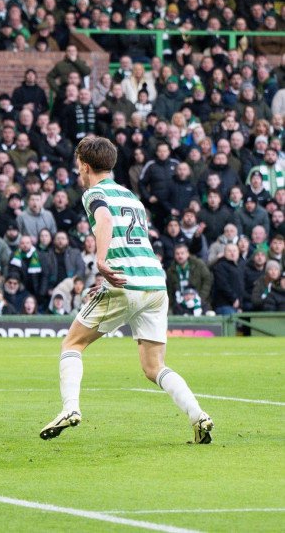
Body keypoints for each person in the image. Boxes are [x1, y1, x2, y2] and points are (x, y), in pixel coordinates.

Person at [40, 136, 213, 444]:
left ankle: (70, 409)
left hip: (125, 282)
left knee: (71, 344)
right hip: (154, 284)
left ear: (85, 165)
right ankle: (198, 415)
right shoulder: (131, 197)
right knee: (154, 366)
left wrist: (102, 262)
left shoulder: (94, 192)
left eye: (78, 165)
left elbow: (105, 219)